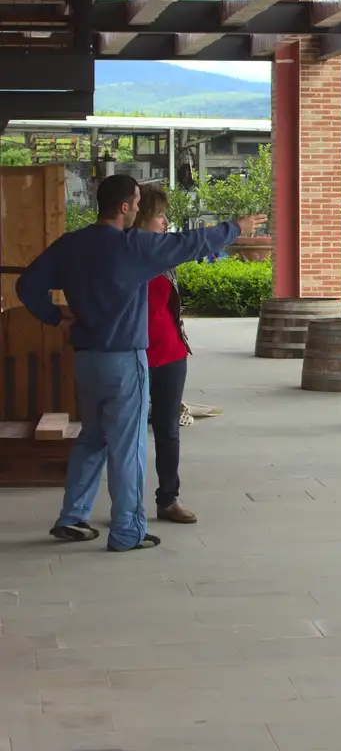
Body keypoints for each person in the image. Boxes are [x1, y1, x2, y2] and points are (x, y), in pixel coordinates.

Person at [16, 175, 264, 552]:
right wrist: (237, 228)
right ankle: (128, 530)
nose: (138, 208)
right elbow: (190, 243)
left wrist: (57, 316)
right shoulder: (132, 246)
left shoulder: (72, 244)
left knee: (92, 437)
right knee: (127, 446)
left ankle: (72, 517)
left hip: (86, 359)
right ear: (124, 207)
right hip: (124, 359)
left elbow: (27, 286)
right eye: (135, 202)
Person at [133, 185, 195, 527]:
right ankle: (128, 504)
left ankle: (168, 498)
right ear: (140, 216)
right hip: (129, 353)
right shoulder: (122, 253)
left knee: (168, 430)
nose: (165, 221)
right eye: (159, 215)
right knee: (128, 432)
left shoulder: (165, 254)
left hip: (170, 352)